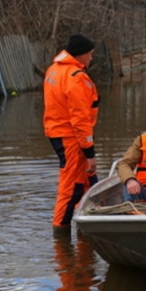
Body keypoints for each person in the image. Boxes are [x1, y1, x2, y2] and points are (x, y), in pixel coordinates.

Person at [43, 33, 99, 234]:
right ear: (81, 55)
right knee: (71, 186)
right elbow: (80, 120)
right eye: (90, 54)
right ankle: (61, 235)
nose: (92, 58)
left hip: (57, 132)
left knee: (88, 182)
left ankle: (89, 224)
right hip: (71, 138)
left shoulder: (54, 70)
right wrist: (90, 153)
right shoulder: (76, 78)